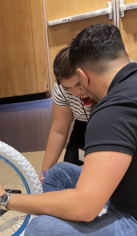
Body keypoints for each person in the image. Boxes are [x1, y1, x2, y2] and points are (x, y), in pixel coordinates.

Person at [0, 24, 137, 236]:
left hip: (135, 224)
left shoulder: (113, 109)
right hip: (132, 195)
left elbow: (85, 207)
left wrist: (4, 199)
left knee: (40, 232)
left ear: (83, 75)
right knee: (61, 172)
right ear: (125, 52)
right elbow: (60, 130)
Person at [40, 46, 95, 182]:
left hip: (109, 126)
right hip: (82, 125)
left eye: (78, 84)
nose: (76, 92)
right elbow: (59, 130)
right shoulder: (60, 89)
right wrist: (44, 175)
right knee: (69, 173)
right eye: (68, 88)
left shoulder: (100, 81)